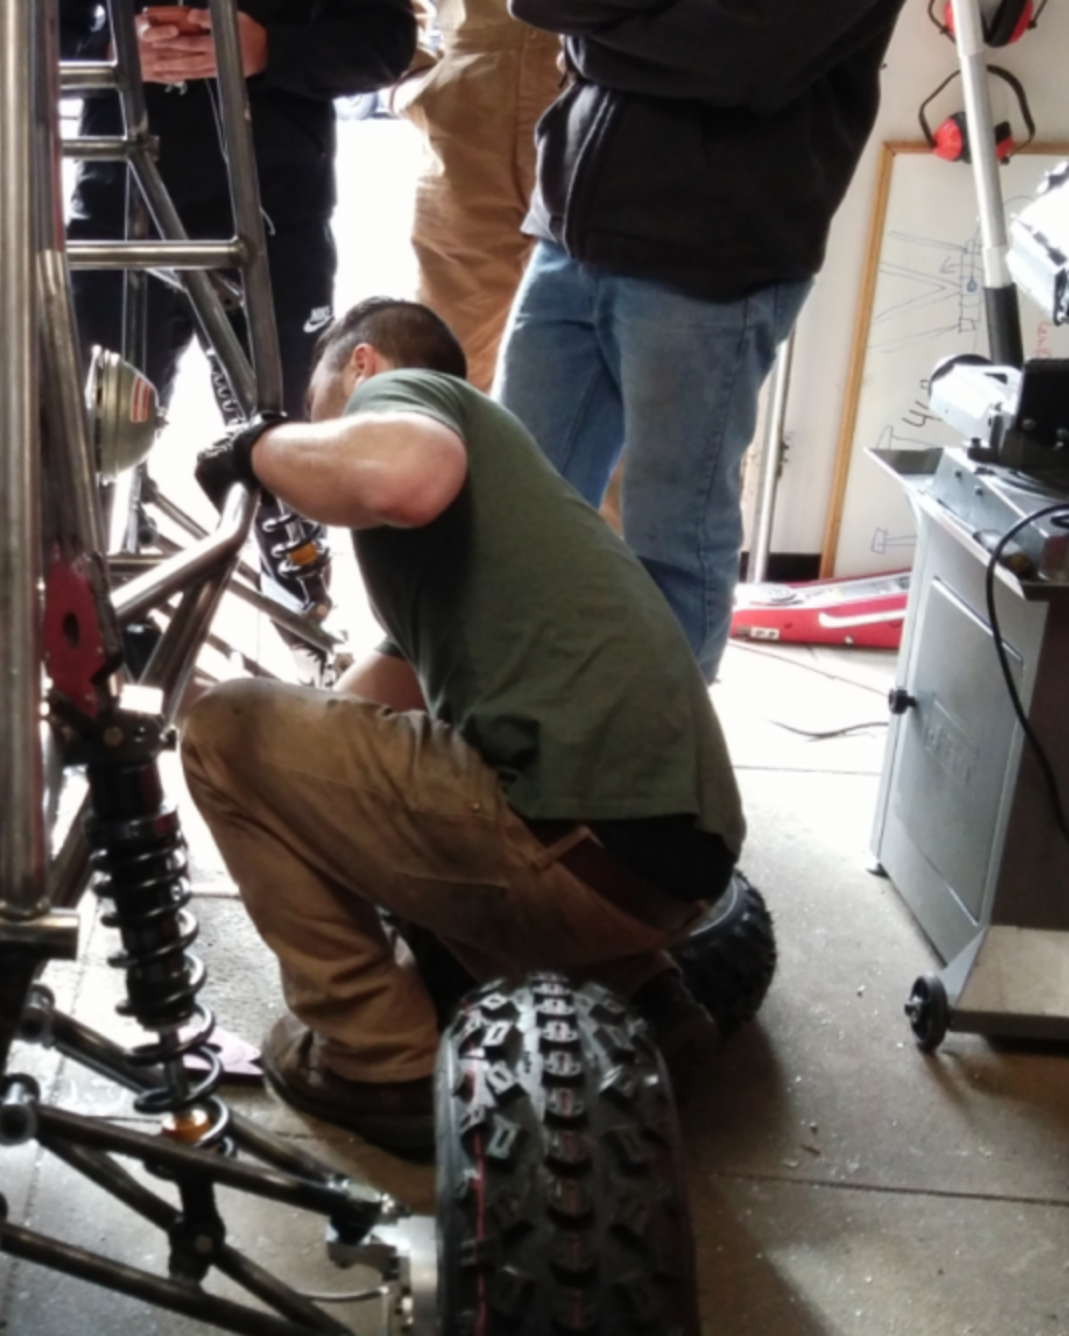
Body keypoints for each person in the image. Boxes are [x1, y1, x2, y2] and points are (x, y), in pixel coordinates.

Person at [183, 298, 736, 1157]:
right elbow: (358, 735)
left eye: (322, 405)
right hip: (663, 875)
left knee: (221, 732)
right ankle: (640, 997)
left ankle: (377, 1057)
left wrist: (256, 447)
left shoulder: (408, 399)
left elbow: (403, 478)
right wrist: (297, 802)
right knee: (365, 788)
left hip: (571, 846)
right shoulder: (497, 527)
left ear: (363, 368)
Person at [492, 0, 912, 679]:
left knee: (672, 545)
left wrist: (594, 40)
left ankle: (663, 767)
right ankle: (512, 730)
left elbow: (740, 59)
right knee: (511, 512)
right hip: (569, 233)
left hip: (711, 254)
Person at [62, 1, 417, 421]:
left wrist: (270, 49)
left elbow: (388, 41)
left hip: (277, 218)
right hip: (118, 214)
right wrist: (110, 55)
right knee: (91, 440)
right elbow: (27, 48)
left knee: (286, 440)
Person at [397, 0, 559, 394]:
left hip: (605, 95)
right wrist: (410, 79)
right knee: (445, 353)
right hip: (470, 112)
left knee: (614, 355)